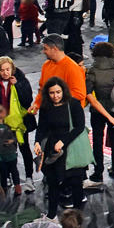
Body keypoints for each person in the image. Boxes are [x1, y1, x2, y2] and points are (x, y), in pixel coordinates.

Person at [34, 77, 86, 214]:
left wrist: (63, 141)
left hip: (71, 148)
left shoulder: (73, 104)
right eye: (52, 93)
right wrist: (37, 142)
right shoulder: (46, 106)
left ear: (64, 91)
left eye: (58, 92)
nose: (55, 96)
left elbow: (80, 127)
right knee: (53, 183)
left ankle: (77, 215)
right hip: (53, 149)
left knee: (76, 184)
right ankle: (51, 215)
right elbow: (42, 127)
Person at [83, 42, 114, 183]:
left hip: (97, 108)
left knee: (97, 141)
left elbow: (87, 91)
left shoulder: (93, 69)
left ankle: (98, 172)